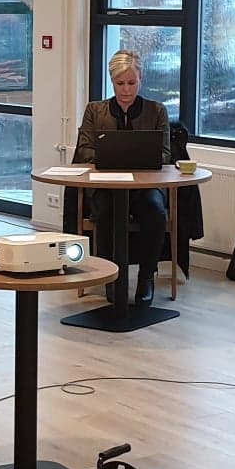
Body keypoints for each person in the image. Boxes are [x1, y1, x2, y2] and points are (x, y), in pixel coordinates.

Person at [74, 50, 171, 305]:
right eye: (120, 83)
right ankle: (112, 277)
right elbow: (84, 150)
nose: (126, 90)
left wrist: (128, 158)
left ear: (141, 79)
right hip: (105, 185)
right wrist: (116, 156)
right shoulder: (95, 110)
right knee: (105, 211)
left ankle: (146, 277)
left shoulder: (156, 111)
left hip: (145, 185)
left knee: (155, 210)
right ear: (111, 81)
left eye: (131, 82)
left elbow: (165, 153)